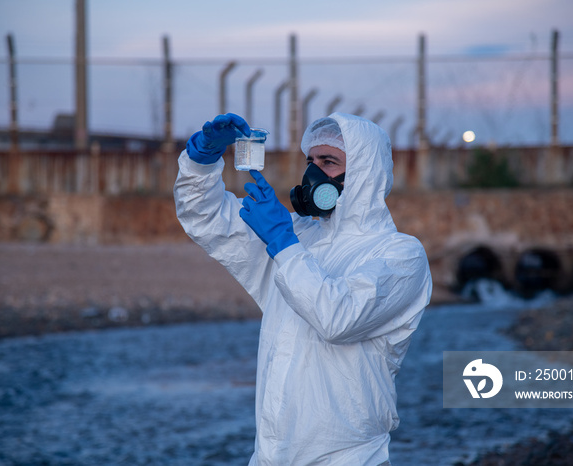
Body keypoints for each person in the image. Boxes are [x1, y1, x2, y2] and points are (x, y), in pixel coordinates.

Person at [174, 112, 432, 465]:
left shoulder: (399, 255)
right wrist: (201, 163)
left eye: (328, 162)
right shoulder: (297, 236)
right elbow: (207, 220)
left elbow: (338, 319)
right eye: (310, 160)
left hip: (347, 457)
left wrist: (282, 242)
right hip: (271, 455)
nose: (313, 172)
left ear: (363, 173)